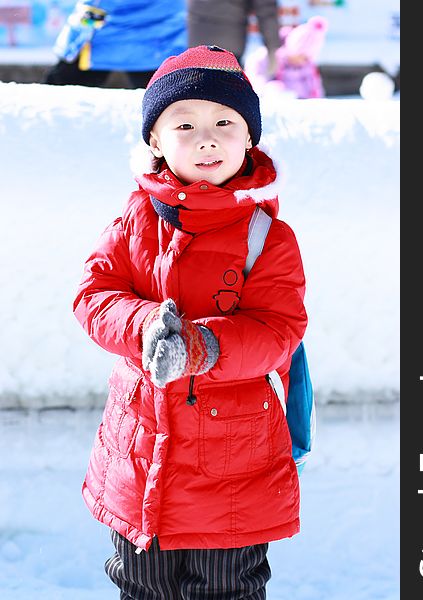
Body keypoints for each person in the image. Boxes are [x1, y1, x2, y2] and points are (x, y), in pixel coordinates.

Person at [73, 45, 307, 598]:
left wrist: (203, 347)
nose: (207, 138)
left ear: (249, 139)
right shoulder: (134, 219)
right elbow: (93, 294)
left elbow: (278, 330)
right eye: (185, 123)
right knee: (140, 586)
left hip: (233, 467)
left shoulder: (267, 238)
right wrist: (142, 325)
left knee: (226, 589)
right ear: (154, 140)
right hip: (140, 457)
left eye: (225, 122)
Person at [44, 0, 187, 88]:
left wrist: (70, 47)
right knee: (161, 104)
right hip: (157, 44)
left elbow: (91, 10)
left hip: (109, 38)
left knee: (59, 96)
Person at [187, 0, 280, 73]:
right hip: (228, 42)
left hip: (197, 36)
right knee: (226, 91)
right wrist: (273, 48)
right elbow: (266, 10)